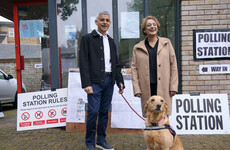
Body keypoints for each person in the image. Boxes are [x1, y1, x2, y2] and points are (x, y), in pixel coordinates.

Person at [79, 11, 125, 150]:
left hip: (109, 81)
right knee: (93, 112)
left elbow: (115, 63)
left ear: (110, 23)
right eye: (102, 20)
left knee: (104, 112)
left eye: (107, 20)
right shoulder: (87, 39)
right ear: (96, 22)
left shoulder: (111, 41)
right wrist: (86, 83)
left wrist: (119, 80)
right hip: (94, 82)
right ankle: (90, 143)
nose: (105, 22)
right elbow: (83, 62)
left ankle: (101, 140)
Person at [131, 16, 178, 118]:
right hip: (146, 87)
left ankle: (164, 133)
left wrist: (173, 86)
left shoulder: (167, 43)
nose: (152, 27)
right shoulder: (137, 47)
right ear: (144, 30)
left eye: (154, 24)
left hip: (164, 86)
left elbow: (173, 65)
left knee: (164, 114)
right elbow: (134, 69)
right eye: (149, 25)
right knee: (149, 114)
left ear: (157, 27)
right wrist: (136, 89)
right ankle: (151, 134)